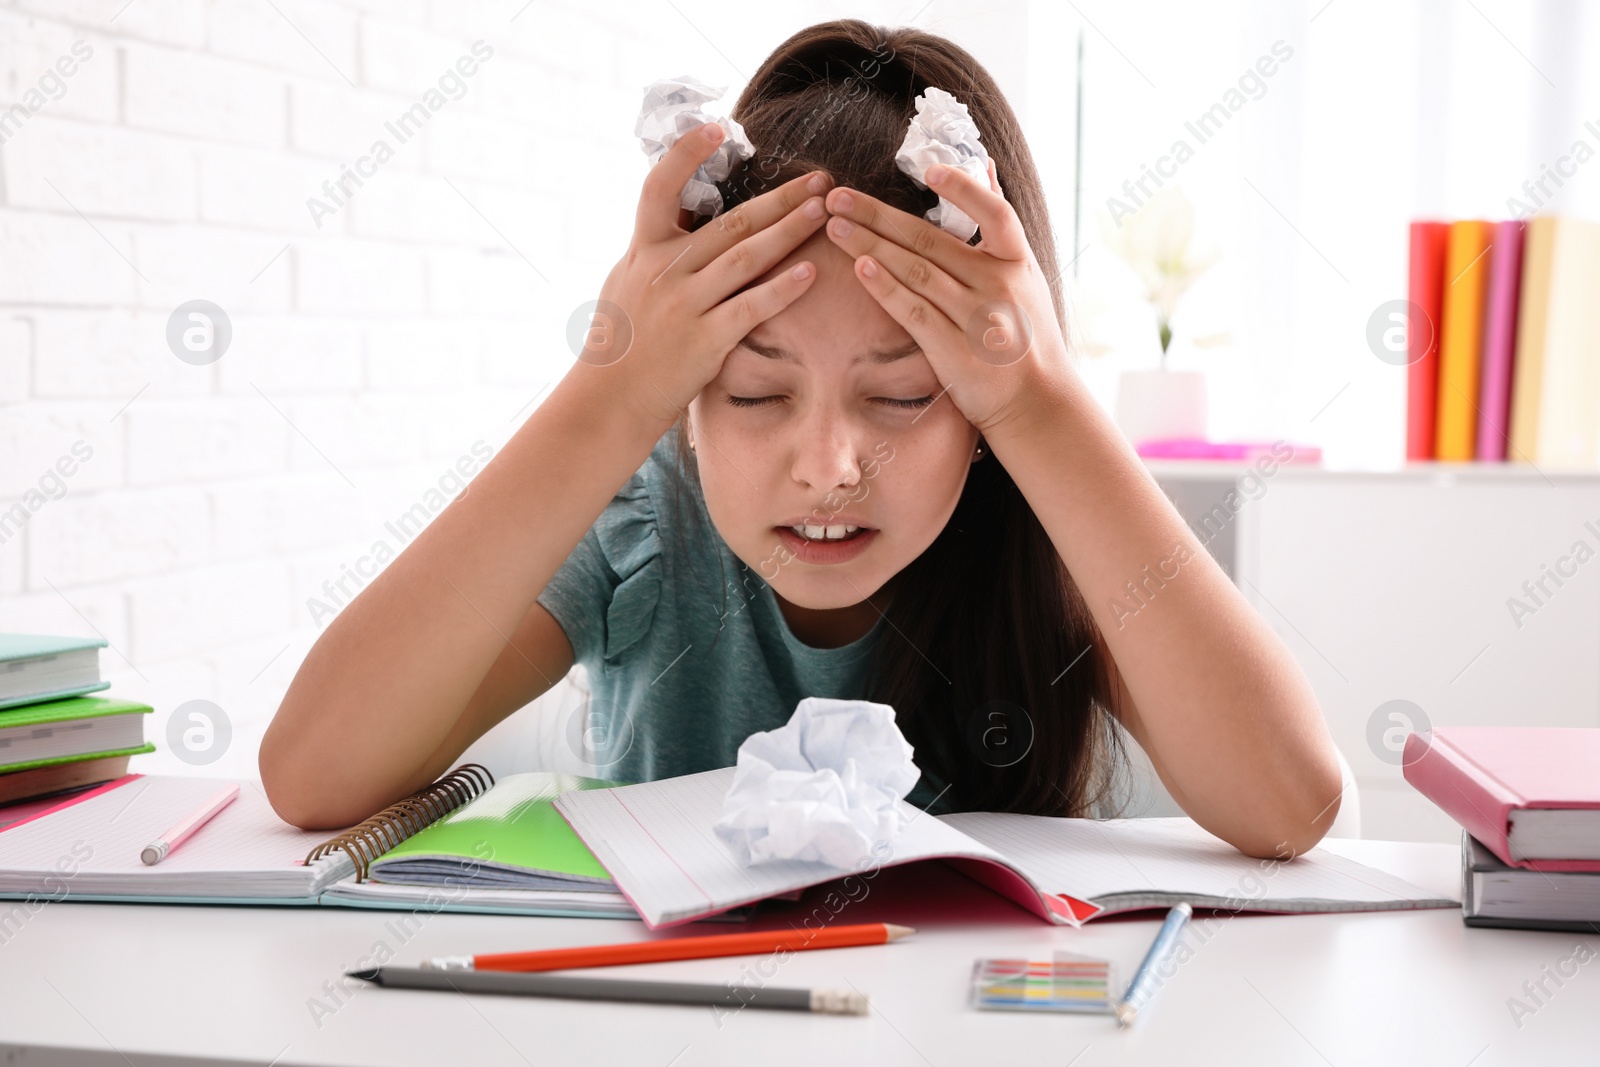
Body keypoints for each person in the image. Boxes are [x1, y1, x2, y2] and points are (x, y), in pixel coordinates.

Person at [260, 19, 1341, 859]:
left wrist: (1043, 407)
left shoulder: (1047, 520)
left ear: (982, 415)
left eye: (906, 398)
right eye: (754, 394)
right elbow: (314, 775)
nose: (829, 467)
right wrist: (605, 393)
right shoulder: (646, 515)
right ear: (681, 397)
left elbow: (1289, 804)